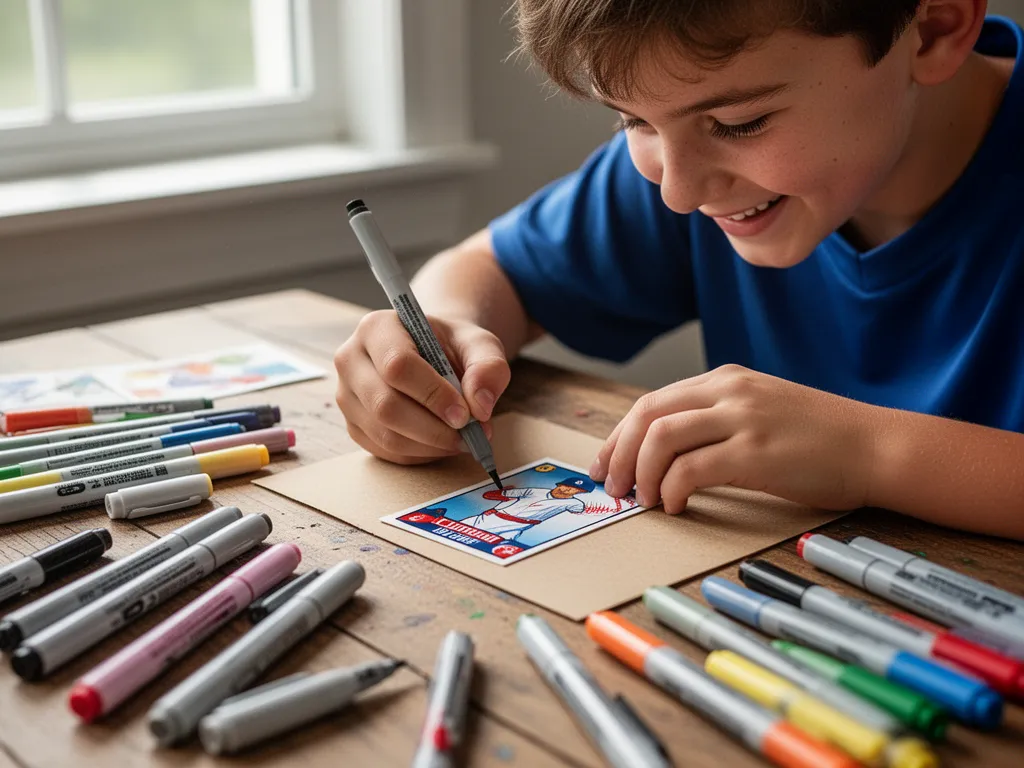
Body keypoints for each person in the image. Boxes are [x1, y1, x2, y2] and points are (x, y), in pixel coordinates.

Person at [334, 0, 1024, 540]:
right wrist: (442, 336)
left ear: (931, 30)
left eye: (742, 122)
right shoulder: (695, 159)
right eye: (631, 121)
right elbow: (487, 269)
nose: (679, 194)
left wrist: (869, 453)